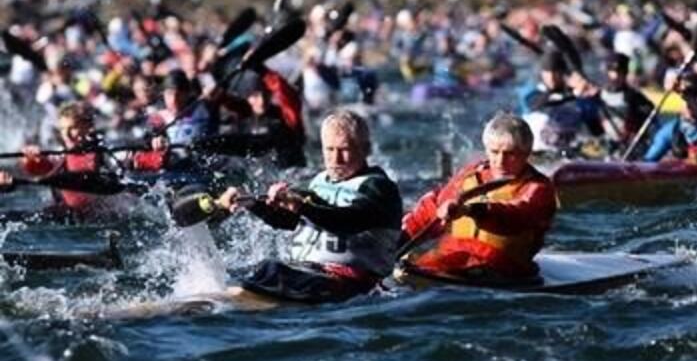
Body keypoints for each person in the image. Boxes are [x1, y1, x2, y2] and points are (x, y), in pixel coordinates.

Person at [186, 109, 402, 303]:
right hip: (309, 274)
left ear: (365, 149)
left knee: (272, 272)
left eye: (344, 149)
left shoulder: (379, 187)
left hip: (352, 283)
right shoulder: (319, 181)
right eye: (330, 149)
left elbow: (348, 220)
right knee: (257, 271)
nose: (336, 159)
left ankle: (215, 303)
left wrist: (302, 206)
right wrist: (251, 203)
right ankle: (195, 303)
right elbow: (287, 221)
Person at [399, 112, 558, 280]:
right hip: (454, 256)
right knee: (416, 265)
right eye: (494, 152)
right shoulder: (469, 175)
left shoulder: (538, 188)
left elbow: (515, 216)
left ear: (526, 153)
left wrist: (472, 210)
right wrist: (401, 238)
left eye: (510, 153)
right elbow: (432, 207)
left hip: (503, 266)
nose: (500, 161)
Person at [0, 102, 117, 214]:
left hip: (101, 218)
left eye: (73, 128)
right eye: (63, 129)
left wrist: (135, 160)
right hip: (67, 217)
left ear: (88, 127)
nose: (67, 134)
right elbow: (38, 168)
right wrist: (30, 159)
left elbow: (130, 160)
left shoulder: (106, 154)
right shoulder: (59, 155)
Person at [598, 53, 656, 147]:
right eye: (612, 71)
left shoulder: (634, 97)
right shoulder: (598, 96)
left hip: (629, 146)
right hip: (605, 145)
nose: (615, 76)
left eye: (620, 72)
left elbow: (650, 117)